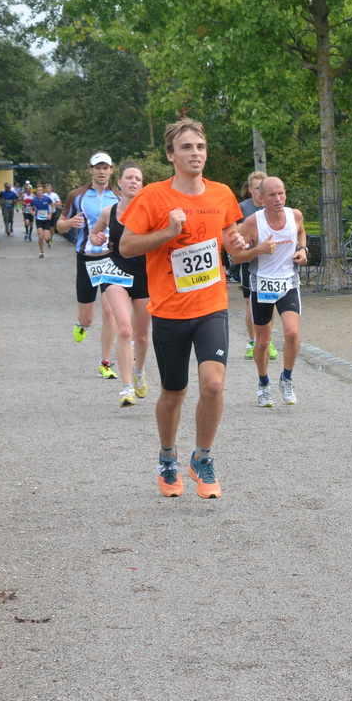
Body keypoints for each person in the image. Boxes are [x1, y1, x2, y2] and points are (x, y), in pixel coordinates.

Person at [120, 119, 248, 499]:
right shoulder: (154, 197)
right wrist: (168, 233)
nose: (196, 153)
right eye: (188, 147)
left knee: (213, 384)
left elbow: (232, 242)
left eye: (201, 147)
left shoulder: (222, 194)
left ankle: (203, 457)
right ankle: (166, 457)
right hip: (170, 312)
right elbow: (127, 247)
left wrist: (238, 241)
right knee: (173, 393)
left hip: (211, 306)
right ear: (171, 155)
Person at [235, 176, 306, 406]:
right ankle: (263, 383)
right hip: (262, 285)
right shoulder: (252, 222)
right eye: (272, 195)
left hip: (288, 283)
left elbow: (301, 232)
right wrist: (259, 249)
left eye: (281, 193)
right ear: (261, 198)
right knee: (263, 342)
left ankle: (286, 378)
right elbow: (236, 256)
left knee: (292, 333)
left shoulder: (294, 215)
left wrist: (302, 250)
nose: (278, 199)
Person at [93, 162, 152, 406]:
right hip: (116, 273)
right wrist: (96, 237)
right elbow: (94, 235)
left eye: (138, 178)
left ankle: (138, 372)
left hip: (144, 276)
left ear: (142, 185)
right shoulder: (109, 212)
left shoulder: (151, 212)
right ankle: (126, 388)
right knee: (124, 329)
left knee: (141, 336)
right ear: (119, 182)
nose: (133, 182)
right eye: (129, 177)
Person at [60, 154, 123, 372]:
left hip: (110, 258)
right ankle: (82, 324)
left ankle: (104, 362)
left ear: (112, 170)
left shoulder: (118, 196)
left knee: (109, 311)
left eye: (106, 167)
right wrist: (69, 222)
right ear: (90, 170)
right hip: (85, 259)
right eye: (98, 167)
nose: (102, 171)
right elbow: (59, 225)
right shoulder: (76, 195)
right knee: (88, 316)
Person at [236, 172, 272, 361]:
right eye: (257, 188)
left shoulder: (272, 206)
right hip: (249, 263)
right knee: (250, 304)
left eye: (262, 188)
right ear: (250, 189)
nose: (260, 192)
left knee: (269, 302)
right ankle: (252, 342)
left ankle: (267, 340)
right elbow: (235, 233)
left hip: (269, 264)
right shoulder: (242, 208)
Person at [30, 183, 56, 256]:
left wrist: (50, 214)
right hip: (39, 220)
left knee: (46, 238)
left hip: (46, 220)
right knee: (41, 236)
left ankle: (49, 240)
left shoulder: (47, 198)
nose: (39, 191)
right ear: (36, 192)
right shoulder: (34, 200)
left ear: (42, 191)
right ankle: (41, 252)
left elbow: (53, 205)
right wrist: (32, 212)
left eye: (41, 190)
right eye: (38, 190)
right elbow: (30, 208)